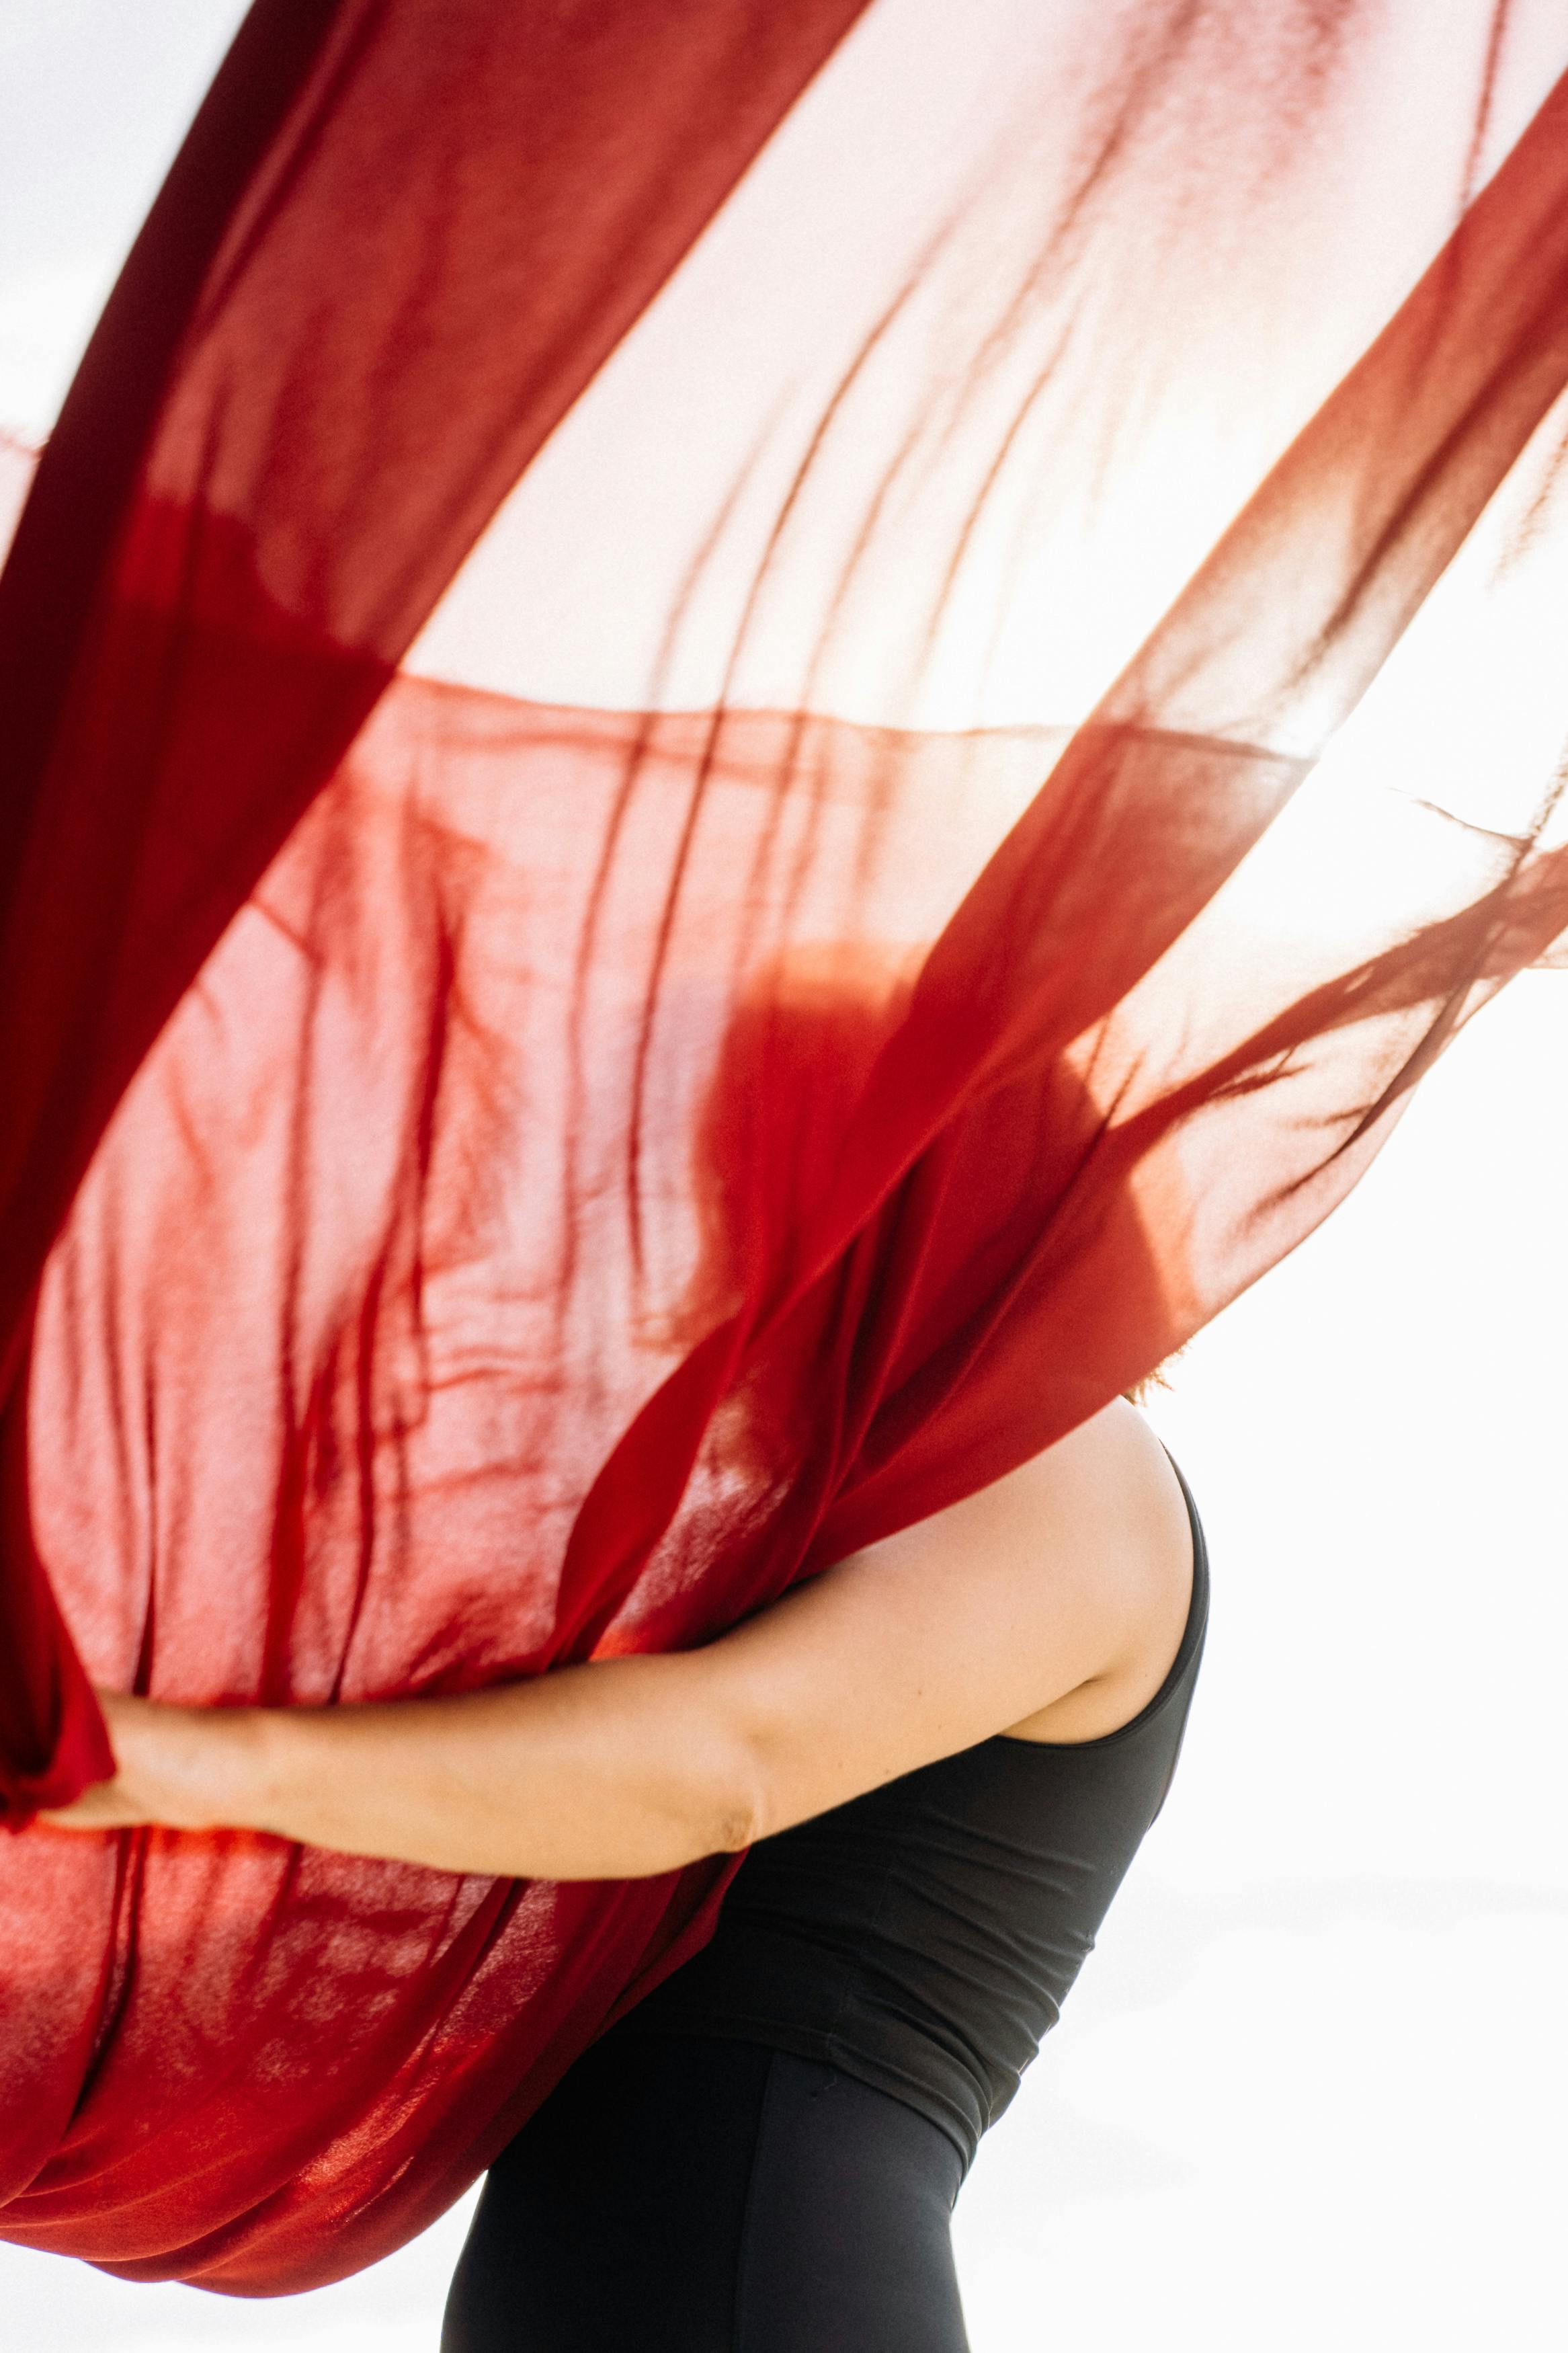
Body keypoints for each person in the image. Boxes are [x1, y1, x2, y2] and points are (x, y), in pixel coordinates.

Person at [44, 1394, 1205, 2350]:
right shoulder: (842, 1462)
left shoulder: (1067, 1458)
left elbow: (721, 1766)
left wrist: (179, 1764)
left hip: (748, 2250)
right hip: (647, 2257)